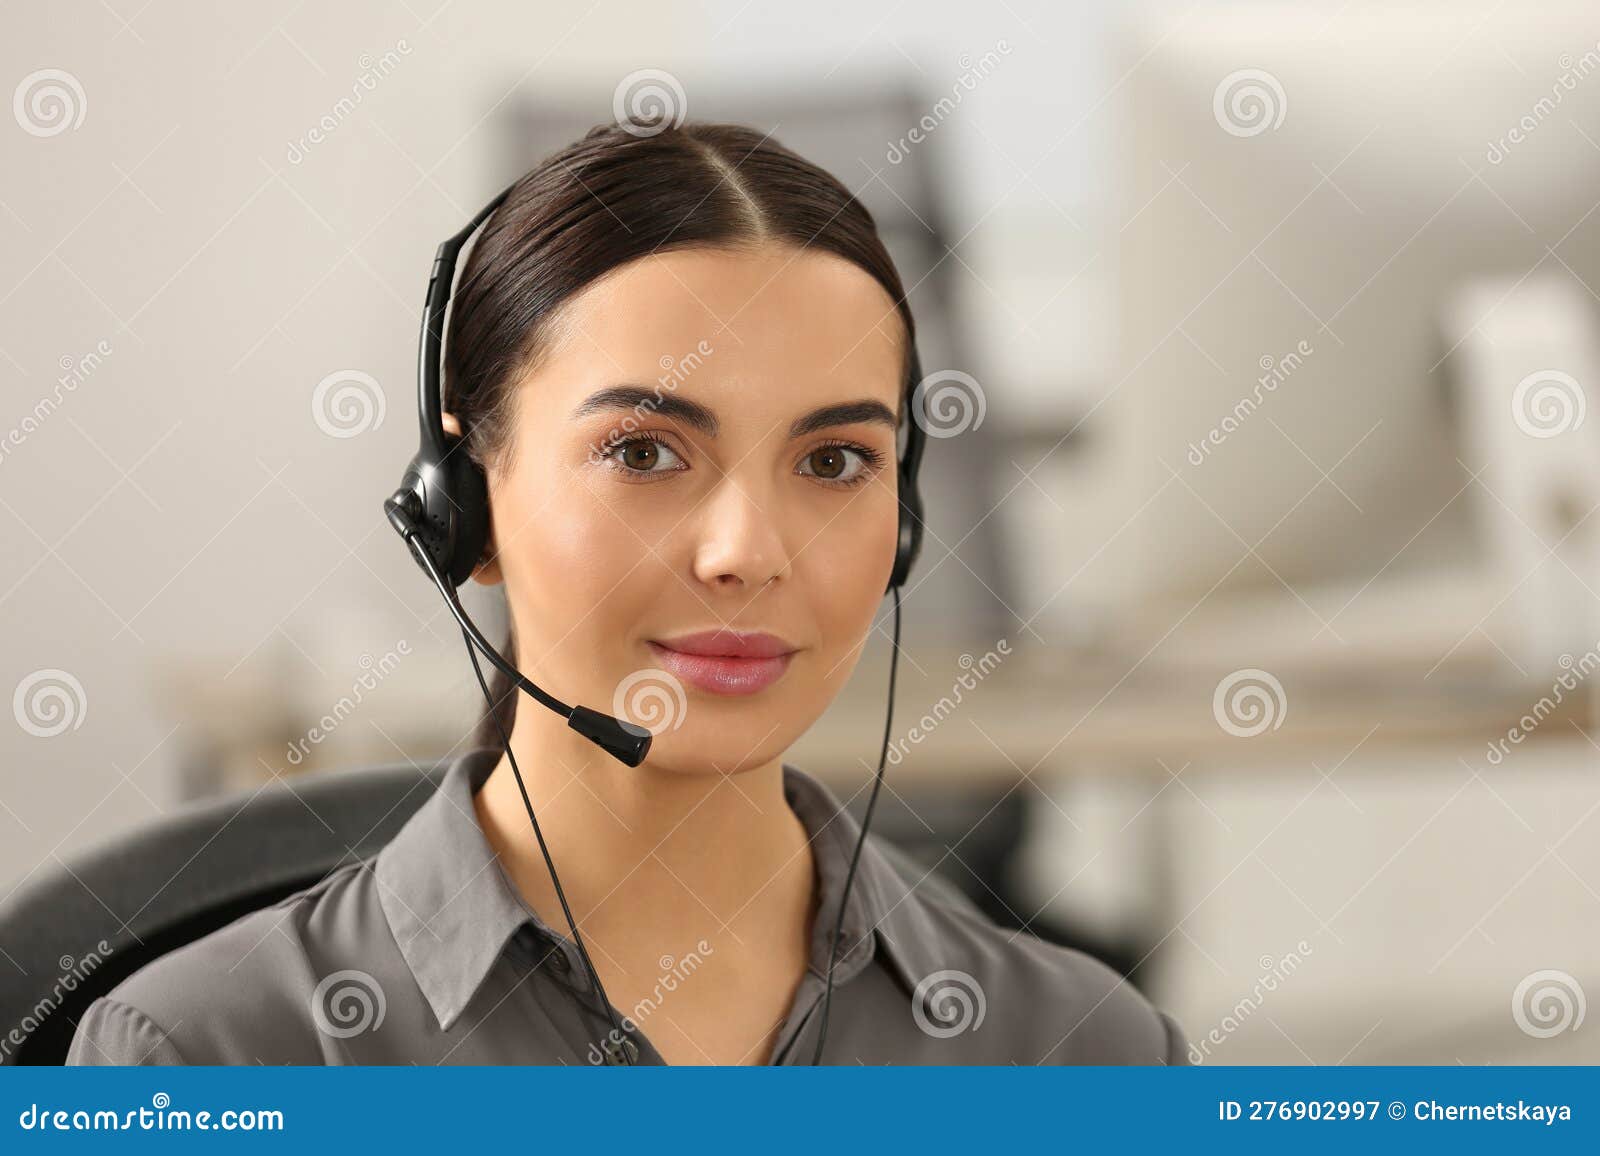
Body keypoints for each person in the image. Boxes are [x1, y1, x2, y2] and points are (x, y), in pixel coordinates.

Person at [67, 116, 1187, 1066]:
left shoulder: (1081, 1051)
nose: (745, 551)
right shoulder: (205, 1052)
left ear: (904, 522)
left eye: (834, 461)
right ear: (464, 508)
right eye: (645, 453)